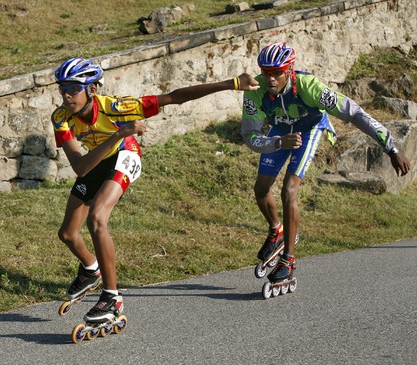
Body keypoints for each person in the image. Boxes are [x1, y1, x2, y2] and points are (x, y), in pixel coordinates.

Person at [52, 57, 260, 323]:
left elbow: (174, 97)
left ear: (92, 89)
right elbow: (80, 167)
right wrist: (116, 134)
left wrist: (232, 84)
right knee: (68, 234)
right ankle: (92, 270)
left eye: (73, 88)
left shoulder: (117, 107)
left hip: (125, 155)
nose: (66, 95)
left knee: (97, 219)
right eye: (62, 88)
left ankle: (111, 298)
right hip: (96, 160)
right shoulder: (61, 117)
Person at [239, 42, 411, 283]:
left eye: (277, 72)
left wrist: (391, 147)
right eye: (266, 72)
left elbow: (354, 113)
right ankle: (276, 228)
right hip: (281, 133)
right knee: (260, 190)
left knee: (289, 190)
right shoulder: (255, 91)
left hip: (309, 129)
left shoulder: (310, 87)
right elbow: (250, 135)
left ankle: (288, 259)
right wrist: (277, 142)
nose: (271, 78)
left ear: (289, 70)